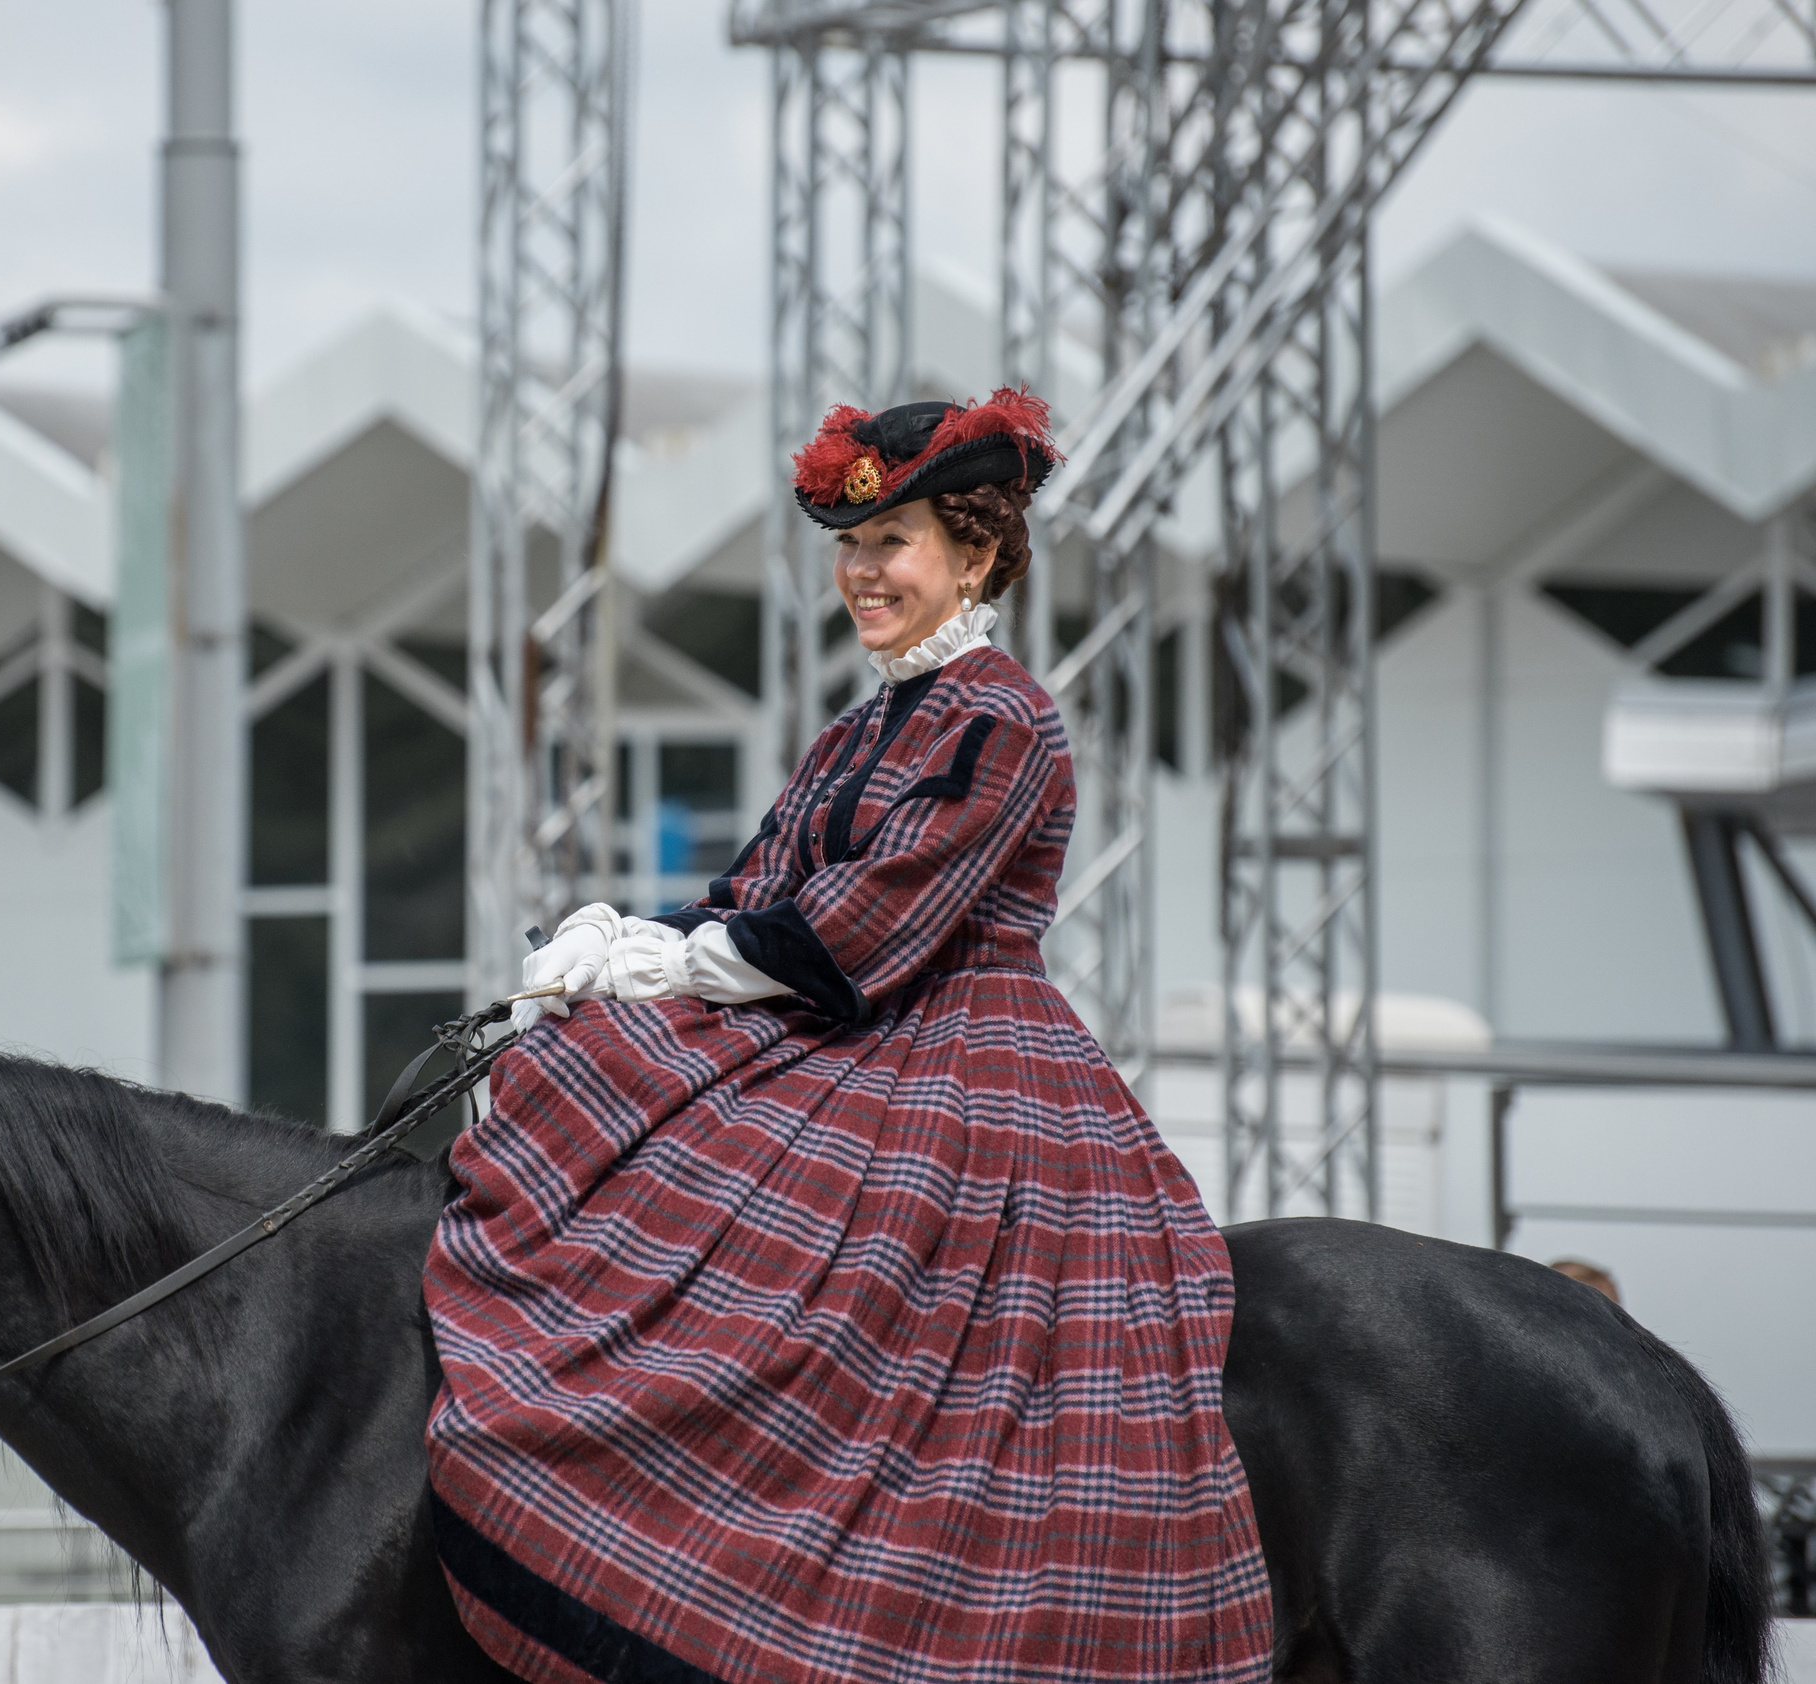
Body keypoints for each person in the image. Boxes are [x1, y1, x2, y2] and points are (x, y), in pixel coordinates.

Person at [421, 392, 1274, 1684]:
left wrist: (673, 958)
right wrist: (628, 940)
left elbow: (862, 933)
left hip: (964, 1054)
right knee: (597, 1076)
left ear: (977, 554)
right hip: (843, 1023)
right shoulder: (857, 727)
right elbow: (758, 897)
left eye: (895, 542)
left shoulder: (1006, 720)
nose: (864, 572)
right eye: (851, 545)